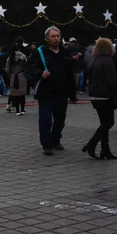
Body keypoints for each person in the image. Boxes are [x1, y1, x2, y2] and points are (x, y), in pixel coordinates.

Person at [29, 26, 77, 156]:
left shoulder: (64, 52)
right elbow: (29, 67)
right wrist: (40, 73)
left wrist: (72, 93)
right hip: (46, 92)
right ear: (46, 38)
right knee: (46, 120)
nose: (56, 39)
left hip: (62, 92)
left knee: (60, 119)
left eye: (58, 36)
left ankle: (56, 140)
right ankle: (46, 144)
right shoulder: (40, 52)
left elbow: (70, 73)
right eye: (53, 36)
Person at [84, 38, 117, 160]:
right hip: (104, 96)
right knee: (109, 122)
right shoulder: (107, 61)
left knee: (104, 123)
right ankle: (91, 144)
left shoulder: (94, 60)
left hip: (95, 95)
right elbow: (113, 81)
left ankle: (105, 150)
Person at [6, 45, 28, 116]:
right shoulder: (23, 56)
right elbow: (27, 66)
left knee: (15, 94)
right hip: (22, 76)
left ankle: (17, 111)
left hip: (13, 76)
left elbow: (7, 69)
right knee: (22, 94)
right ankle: (23, 110)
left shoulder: (10, 57)